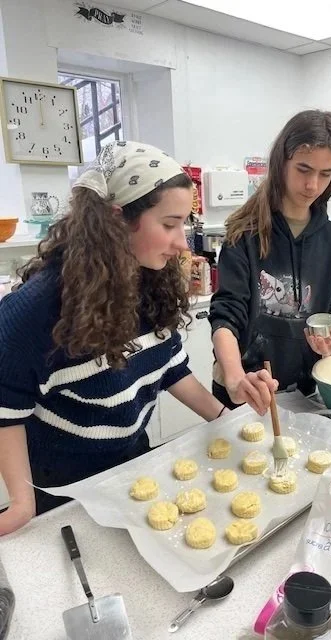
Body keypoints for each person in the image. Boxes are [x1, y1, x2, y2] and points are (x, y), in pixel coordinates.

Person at [0, 141, 228, 535]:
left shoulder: (148, 280)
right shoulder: (34, 310)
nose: (181, 244)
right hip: (64, 491)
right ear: (117, 220)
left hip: (132, 467)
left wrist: (225, 419)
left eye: (184, 225)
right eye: (169, 224)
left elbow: (169, 364)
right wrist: (22, 502)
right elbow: (5, 411)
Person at [209, 110, 331, 415]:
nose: (313, 185)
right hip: (245, 390)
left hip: (304, 390)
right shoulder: (244, 232)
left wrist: (328, 341)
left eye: (326, 174)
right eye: (303, 169)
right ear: (281, 162)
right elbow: (225, 317)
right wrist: (234, 377)